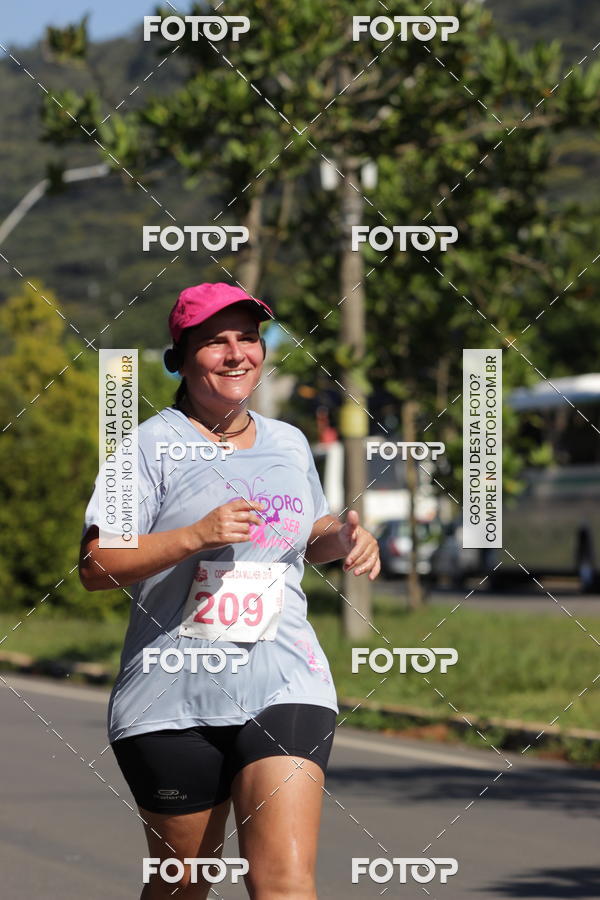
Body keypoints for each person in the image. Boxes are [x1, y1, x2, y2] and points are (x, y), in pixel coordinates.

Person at [79, 282, 380, 899]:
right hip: (170, 696)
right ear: (181, 358)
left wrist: (344, 537)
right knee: (186, 884)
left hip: (284, 681)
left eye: (248, 338)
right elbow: (96, 563)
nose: (237, 353)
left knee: (284, 884)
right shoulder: (146, 447)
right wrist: (195, 536)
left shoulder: (289, 442)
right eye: (216, 342)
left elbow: (306, 534)